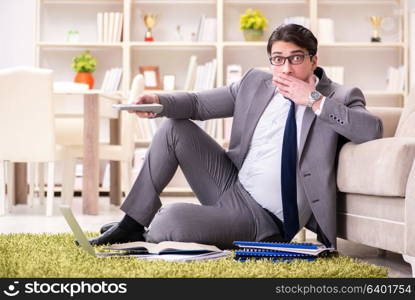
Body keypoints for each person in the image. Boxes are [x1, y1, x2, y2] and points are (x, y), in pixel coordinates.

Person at [89, 24, 383, 249]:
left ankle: (154, 228)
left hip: (265, 220)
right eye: (278, 60)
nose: (286, 69)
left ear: (313, 59)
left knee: (170, 220)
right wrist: (158, 101)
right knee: (173, 128)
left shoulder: (339, 96)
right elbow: (198, 103)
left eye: (296, 59)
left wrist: (314, 99)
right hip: (231, 184)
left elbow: (371, 130)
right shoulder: (257, 83)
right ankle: (132, 223)